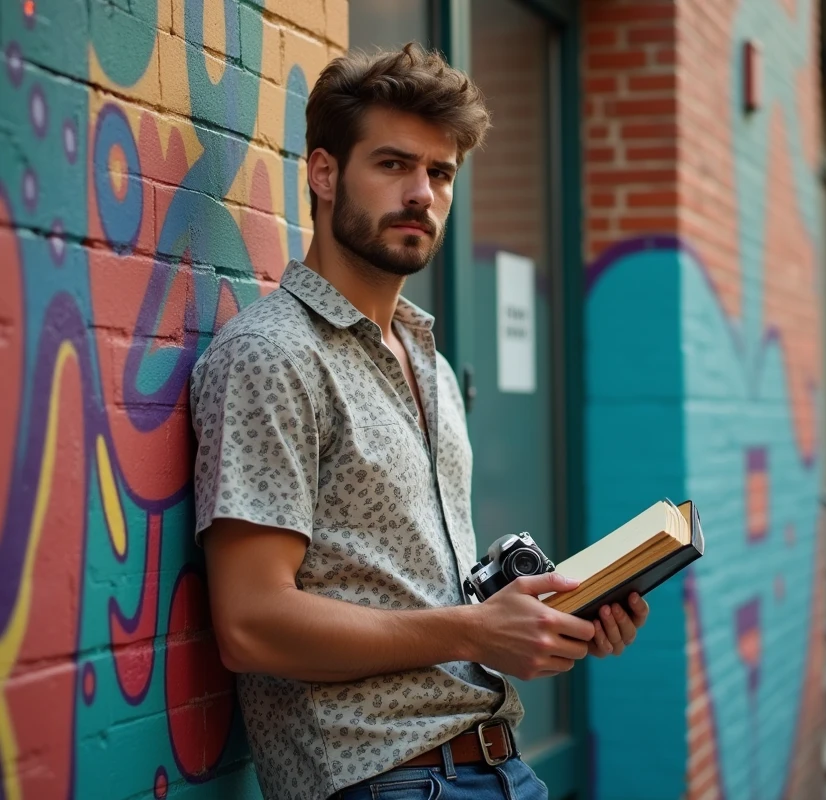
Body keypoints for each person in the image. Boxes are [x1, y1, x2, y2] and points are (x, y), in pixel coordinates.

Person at [188, 45, 649, 800]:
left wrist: (546, 620)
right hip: (385, 781)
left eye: (440, 173)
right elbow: (251, 624)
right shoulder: (273, 356)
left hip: (497, 764)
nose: (421, 194)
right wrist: (475, 629)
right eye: (394, 165)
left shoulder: (428, 358)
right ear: (324, 172)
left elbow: (413, 593)